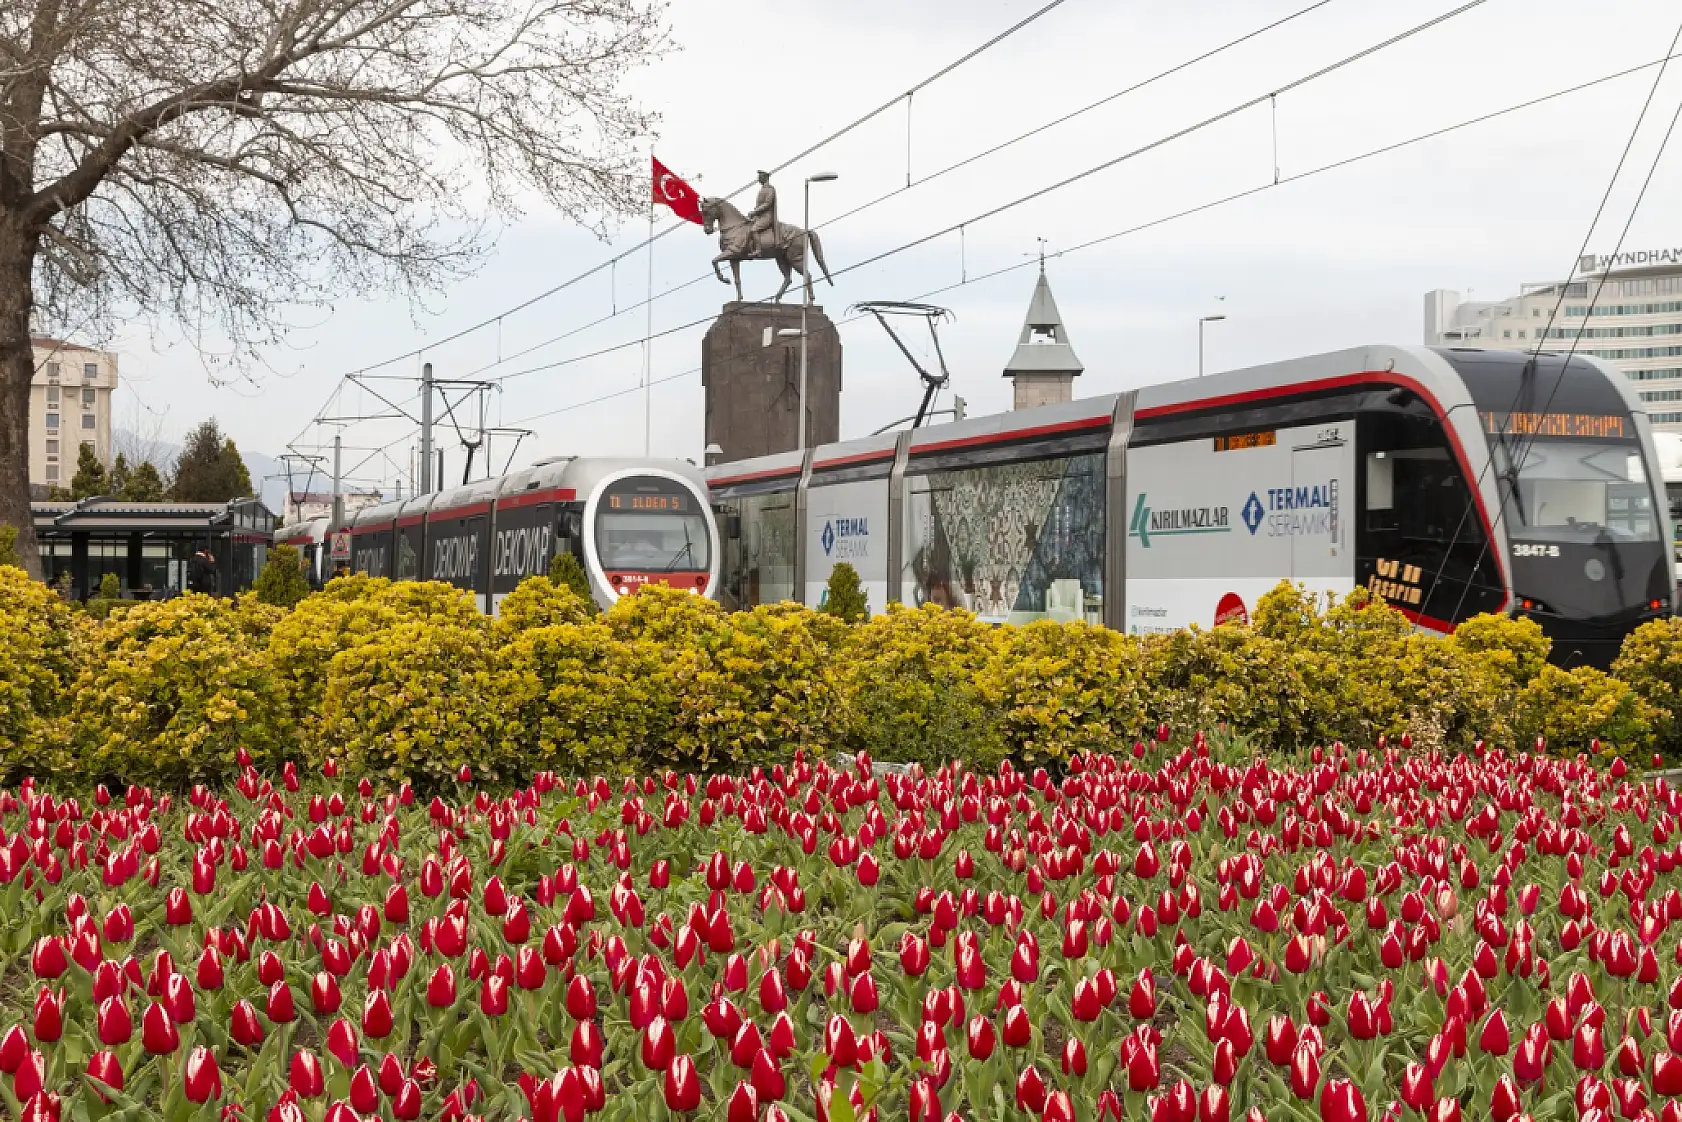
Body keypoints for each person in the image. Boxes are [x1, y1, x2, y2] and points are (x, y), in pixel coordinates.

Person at [746, 170, 778, 258]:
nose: (758, 179)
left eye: (760, 177)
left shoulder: (770, 189)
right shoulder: (763, 189)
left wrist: (755, 212)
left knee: (754, 229)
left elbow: (767, 203)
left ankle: (758, 250)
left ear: (765, 177)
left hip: (766, 217)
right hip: (759, 216)